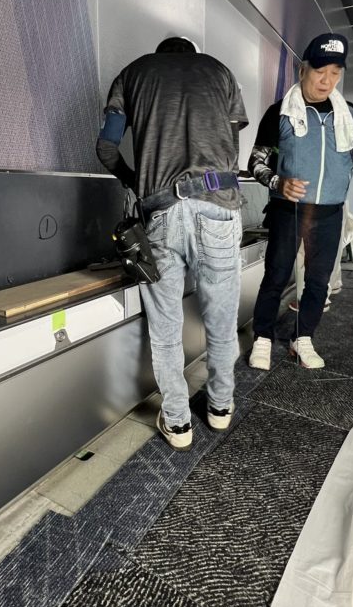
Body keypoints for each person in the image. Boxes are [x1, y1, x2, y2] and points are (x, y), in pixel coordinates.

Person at [96, 36, 248, 451]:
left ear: (159, 56)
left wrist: (137, 181)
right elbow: (231, 149)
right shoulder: (220, 72)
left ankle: (178, 423)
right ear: (193, 57)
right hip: (219, 207)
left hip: (161, 210)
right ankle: (220, 407)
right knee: (221, 321)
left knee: (165, 327)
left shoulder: (132, 74)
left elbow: (106, 148)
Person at [249, 33, 353, 370]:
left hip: (330, 212)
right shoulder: (279, 112)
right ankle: (263, 338)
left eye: (335, 73)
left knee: (319, 281)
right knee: (276, 276)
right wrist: (278, 182)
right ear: (303, 70)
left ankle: (302, 338)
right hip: (289, 210)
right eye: (320, 71)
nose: (327, 80)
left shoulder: (348, 114)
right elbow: (256, 162)